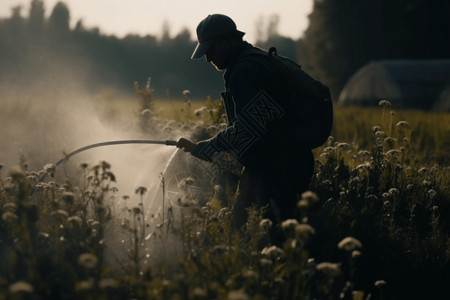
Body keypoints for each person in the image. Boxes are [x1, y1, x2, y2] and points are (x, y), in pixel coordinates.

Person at [180, 14, 315, 243]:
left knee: (253, 235)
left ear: (227, 41)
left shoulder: (245, 70)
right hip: (284, 160)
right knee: (271, 233)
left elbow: (248, 127)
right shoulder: (255, 60)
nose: (208, 58)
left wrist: (207, 148)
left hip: (276, 167)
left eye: (210, 49)